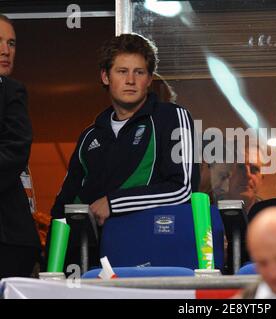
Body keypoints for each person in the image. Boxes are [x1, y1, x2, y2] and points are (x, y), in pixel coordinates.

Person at [48, 33, 199, 267]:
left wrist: (114, 203)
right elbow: (63, 208)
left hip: (151, 256)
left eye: (139, 72)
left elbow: (183, 189)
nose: (130, 80)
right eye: (122, 71)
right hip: (93, 264)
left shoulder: (171, 117)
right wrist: (53, 267)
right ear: (105, 76)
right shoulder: (90, 136)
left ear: (149, 79)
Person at [0, 14, 41, 279]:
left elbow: (15, 151)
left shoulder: (10, 90)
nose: (5, 51)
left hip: (7, 239)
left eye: (12, 43)